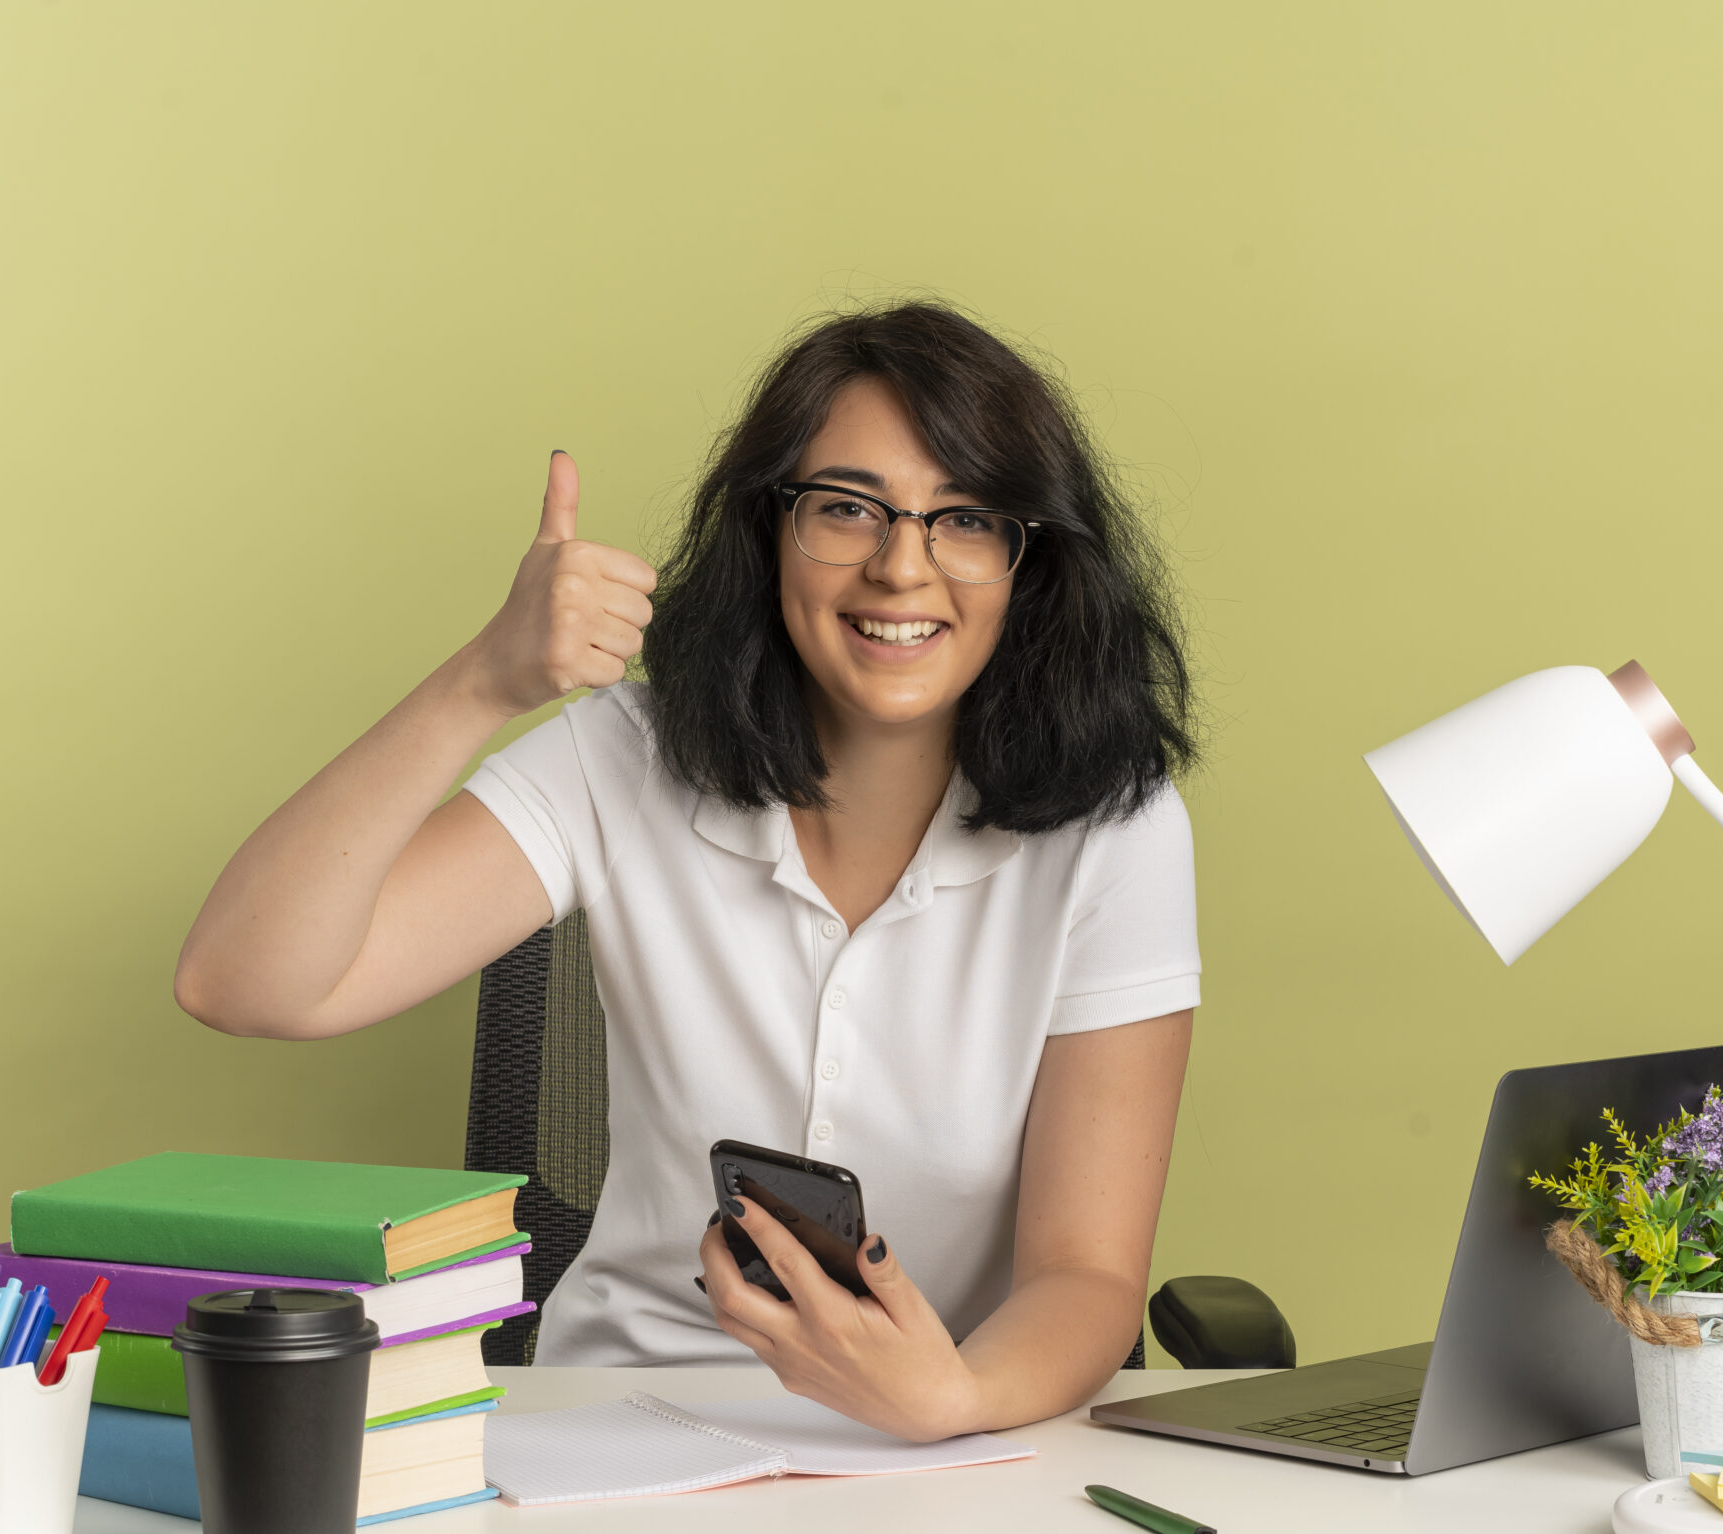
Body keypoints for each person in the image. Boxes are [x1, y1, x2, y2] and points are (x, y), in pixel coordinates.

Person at [174, 302, 1200, 1441]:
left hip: (944, 1446)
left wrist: (953, 1398)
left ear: (1030, 562)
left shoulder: (1114, 826)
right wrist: (485, 682)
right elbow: (243, 981)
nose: (902, 567)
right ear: (770, 529)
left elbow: (1087, 1275)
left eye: (965, 519)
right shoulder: (624, 754)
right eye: (848, 509)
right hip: (618, 1419)